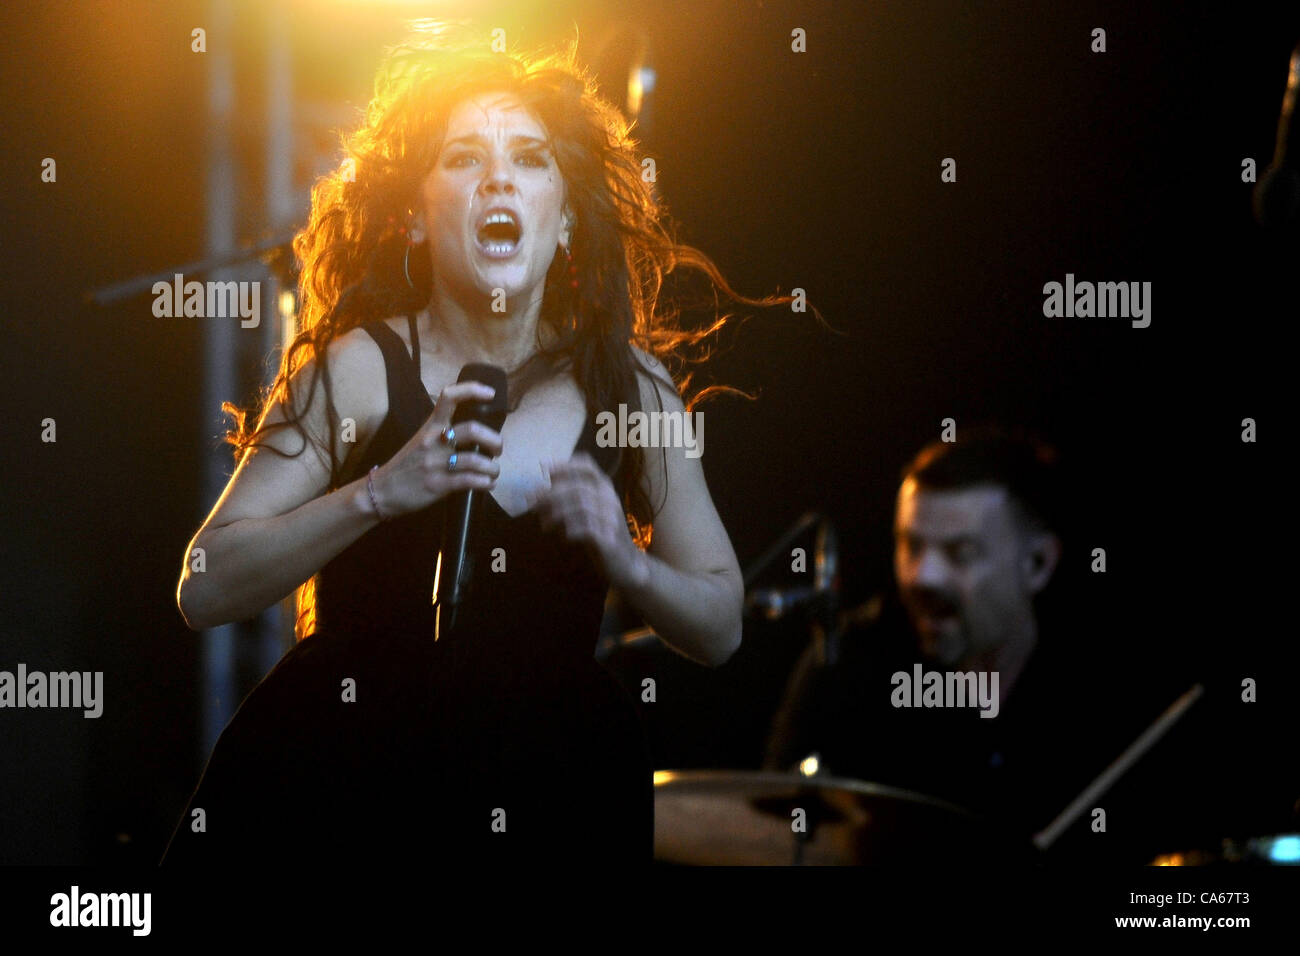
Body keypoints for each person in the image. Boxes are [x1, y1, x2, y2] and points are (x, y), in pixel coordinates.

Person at [163, 24, 769, 867]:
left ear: (565, 221)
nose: (497, 179)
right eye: (461, 159)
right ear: (415, 217)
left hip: (553, 790)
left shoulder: (629, 387)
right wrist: (382, 490)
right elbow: (205, 583)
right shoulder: (363, 370)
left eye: (529, 157)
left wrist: (627, 564)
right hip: (338, 787)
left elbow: (721, 625)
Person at [764, 427, 1156, 855]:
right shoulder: (844, 666)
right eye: (910, 545)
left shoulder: (1109, 685)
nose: (922, 576)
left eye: (961, 553)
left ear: (1038, 564)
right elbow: (776, 839)